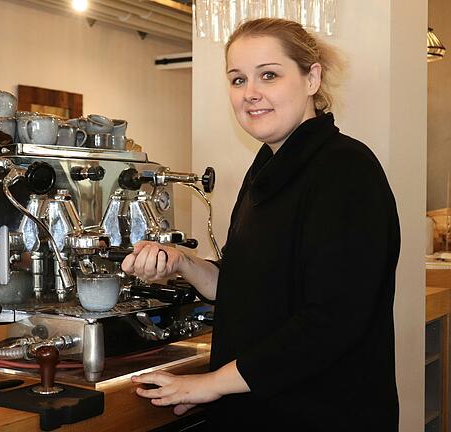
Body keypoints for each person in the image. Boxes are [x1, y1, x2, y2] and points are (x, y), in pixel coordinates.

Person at [122, 18, 401, 431]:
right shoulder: (267, 170)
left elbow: (330, 322)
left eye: (268, 75)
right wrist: (182, 262)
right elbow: (242, 287)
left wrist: (211, 384)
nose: (250, 93)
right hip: (261, 407)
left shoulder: (345, 169)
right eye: (237, 80)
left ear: (312, 78)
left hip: (325, 413)